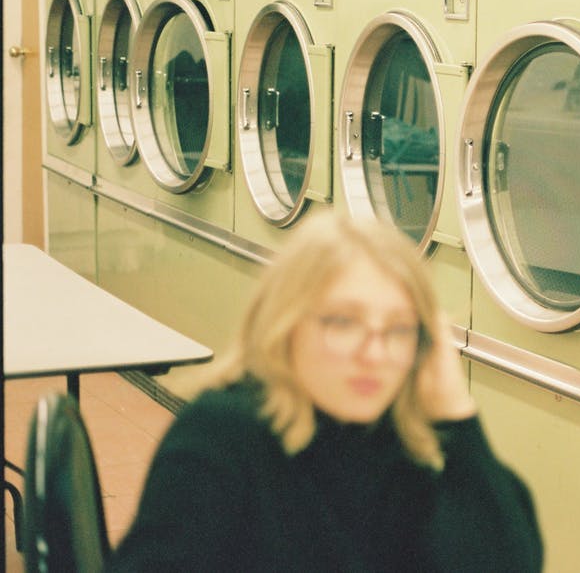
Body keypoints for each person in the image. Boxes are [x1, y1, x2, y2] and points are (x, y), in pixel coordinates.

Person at [107, 213, 543, 572]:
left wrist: (455, 412)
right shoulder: (222, 436)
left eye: (399, 329)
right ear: (286, 325)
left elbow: (508, 561)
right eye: (343, 322)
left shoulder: (404, 445)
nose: (374, 353)